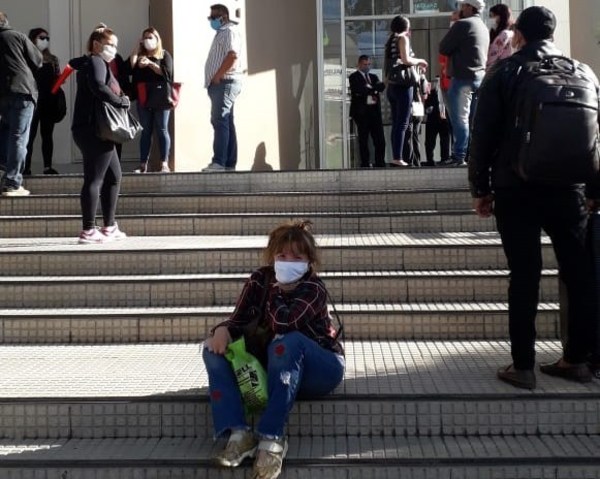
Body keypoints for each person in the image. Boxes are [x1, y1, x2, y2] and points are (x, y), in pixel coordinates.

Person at [468, 6, 600, 389]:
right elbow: (596, 136)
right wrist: (595, 190)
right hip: (571, 188)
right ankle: (577, 360)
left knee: (525, 274)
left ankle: (523, 366)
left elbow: (482, 135)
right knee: (579, 272)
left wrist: (480, 189)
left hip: (516, 186)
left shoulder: (505, 72)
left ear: (518, 36)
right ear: (552, 35)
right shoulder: (584, 73)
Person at [203, 219, 345, 479]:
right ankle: (239, 434)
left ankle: (272, 437)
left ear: (309, 262)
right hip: (276, 369)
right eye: (282, 256)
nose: (288, 262)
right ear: (272, 257)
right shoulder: (260, 279)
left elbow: (285, 323)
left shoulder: (313, 288)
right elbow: (238, 320)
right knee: (212, 349)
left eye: (297, 257)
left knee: (288, 342)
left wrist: (278, 291)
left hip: (320, 369)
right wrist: (221, 330)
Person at [71, 27, 129, 244]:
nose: (113, 49)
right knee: (95, 179)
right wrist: (120, 101)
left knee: (113, 176)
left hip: (96, 130)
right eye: (110, 44)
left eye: (115, 45)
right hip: (94, 130)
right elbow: (98, 86)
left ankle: (109, 226)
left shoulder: (94, 63)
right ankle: (88, 230)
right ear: (96, 44)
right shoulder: (96, 61)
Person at [439, 0, 489, 167]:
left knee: (460, 120)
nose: (460, 9)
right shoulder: (483, 27)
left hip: (462, 78)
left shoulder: (462, 24)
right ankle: (473, 156)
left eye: (463, 6)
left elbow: (443, 47)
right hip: (480, 78)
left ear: (469, 7)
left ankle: (458, 156)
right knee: (473, 121)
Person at [0, 11, 43, 196]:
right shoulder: (17, 36)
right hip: (23, 91)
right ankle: (12, 182)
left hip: (3, 94)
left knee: (5, 134)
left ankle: (5, 170)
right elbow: (38, 60)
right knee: (19, 137)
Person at [203, 4, 244, 172]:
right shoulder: (223, 32)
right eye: (210, 17)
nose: (211, 20)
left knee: (220, 120)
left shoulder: (228, 31)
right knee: (226, 122)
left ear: (224, 17)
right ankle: (228, 163)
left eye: (214, 17)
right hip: (222, 83)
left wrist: (218, 76)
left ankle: (219, 162)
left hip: (225, 82)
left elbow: (232, 56)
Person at [384, 16, 428, 168]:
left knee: (397, 123)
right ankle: (398, 157)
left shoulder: (390, 40)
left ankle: (396, 156)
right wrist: (420, 61)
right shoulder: (402, 38)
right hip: (403, 86)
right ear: (406, 26)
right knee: (403, 123)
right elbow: (406, 59)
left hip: (392, 86)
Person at [129, 27, 173, 173]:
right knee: (145, 130)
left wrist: (150, 64)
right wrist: (137, 47)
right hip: (144, 96)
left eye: (150, 37)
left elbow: (168, 74)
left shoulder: (164, 55)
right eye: (145, 38)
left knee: (162, 129)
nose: (147, 40)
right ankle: (143, 164)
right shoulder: (140, 56)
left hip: (161, 97)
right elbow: (131, 66)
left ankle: (164, 163)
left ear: (157, 39)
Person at [25, 27, 61, 176]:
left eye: (47, 38)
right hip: (32, 101)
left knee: (47, 135)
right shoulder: (26, 57)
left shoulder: (52, 59)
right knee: (29, 136)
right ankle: (26, 167)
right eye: (41, 38)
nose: (45, 41)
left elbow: (57, 78)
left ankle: (48, 166)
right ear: (33, 39)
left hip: (49, 101)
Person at [348, 55, 386, 168]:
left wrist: (371, 89)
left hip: (374, 113)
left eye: (369, 64)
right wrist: (373, 90)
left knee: (380, 140)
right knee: (363, 140)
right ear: (359, 64)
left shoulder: (373, 77)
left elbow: (381, 87)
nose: (367, 66)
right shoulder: (354, 77)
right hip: (362, 114)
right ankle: (365, 163)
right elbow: (359, 90)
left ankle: (380, 162)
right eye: (365, 64)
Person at [402, 69, 428, 167]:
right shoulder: (422, 77)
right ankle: (417, 161)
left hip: (410, 105)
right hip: (418, 105)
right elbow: (425, 95)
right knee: (415, 135)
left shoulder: (407, 75)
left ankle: (409, 161)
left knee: (408, 134)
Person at [424, 75, 451, 166]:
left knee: (444, 140)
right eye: (436, 81)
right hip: (434, 118)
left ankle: (444, 158)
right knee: (431, 141)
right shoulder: (431, 91)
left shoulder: (447, 90)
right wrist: (428, 109)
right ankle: (431, 160)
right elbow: (426, 104)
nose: (437, 83)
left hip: (443, 118)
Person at [486, 3, 514, 69]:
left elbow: (492, 56)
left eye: (492, 16)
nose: (490, 19)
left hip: (497, 70)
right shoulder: (510, 32)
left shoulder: (504, 34)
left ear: (500, 16)